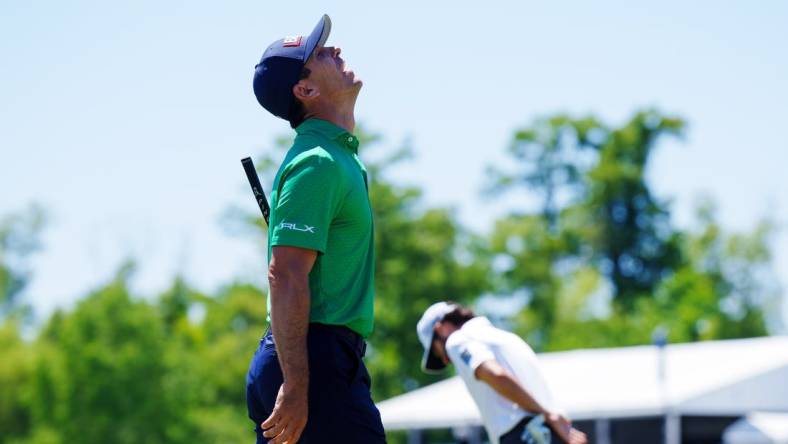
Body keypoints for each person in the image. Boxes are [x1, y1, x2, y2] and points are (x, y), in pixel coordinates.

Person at [245, 14, 385, 444]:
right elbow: (285, 275)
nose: (336, 50)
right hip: (312, 363)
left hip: (323, 361)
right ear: (304, 91)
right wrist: (297, 387)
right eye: (320, 54)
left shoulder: (337, 157)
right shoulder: (317, 162)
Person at [417, 302, 587, 444]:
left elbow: (495, 375)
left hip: (525, 435)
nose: (446, 360)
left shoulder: (457, 340)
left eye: (437, 351)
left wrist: (547, 414)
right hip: (552, 433)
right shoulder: (509, 338)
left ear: (440, 328)